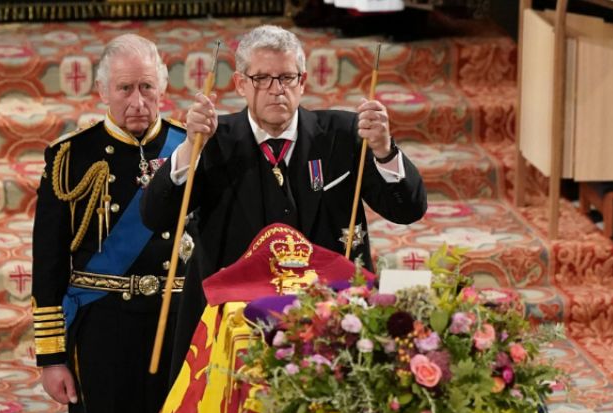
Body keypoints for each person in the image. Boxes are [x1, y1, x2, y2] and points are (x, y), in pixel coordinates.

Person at [140, 23, 427, 382]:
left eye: (287, 78)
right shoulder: (210, 140)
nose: (276, 90)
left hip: (330, 317)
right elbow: (155, 215)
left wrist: (385, 151)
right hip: (233, 321)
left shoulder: (343, 135)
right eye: (262, 78)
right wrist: (187, 151)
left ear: (303, 81)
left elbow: (408, 209)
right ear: (240, 84)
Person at [31, 33, 187, 413]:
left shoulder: (194, 150)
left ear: (164, 86)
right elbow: (47, 264)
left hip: (181, 324)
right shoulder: (71, 157)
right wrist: (51, 354)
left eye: (147, 87)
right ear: (101, 91)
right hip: (107, 331)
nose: (137, 102)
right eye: (124, 89)